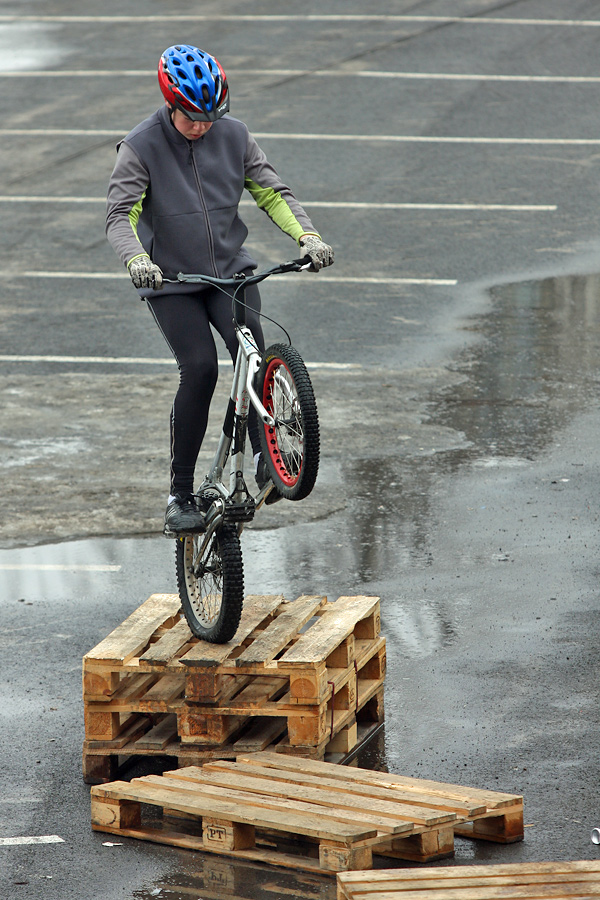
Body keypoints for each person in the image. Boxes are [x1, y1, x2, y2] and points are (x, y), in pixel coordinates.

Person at [106, 44, 334, 536]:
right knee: (201, 369)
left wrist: (307, 236)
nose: (202, 127)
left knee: (251, 356)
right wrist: (137, 259)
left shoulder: (235, 135)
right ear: (171, 103)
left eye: (211, 117)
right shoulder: (140, 147)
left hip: (231, 274)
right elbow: (120, 215)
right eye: (192, 118)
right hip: (173, 282)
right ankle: (179, 494)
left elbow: (272, 192)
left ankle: (266, 457)